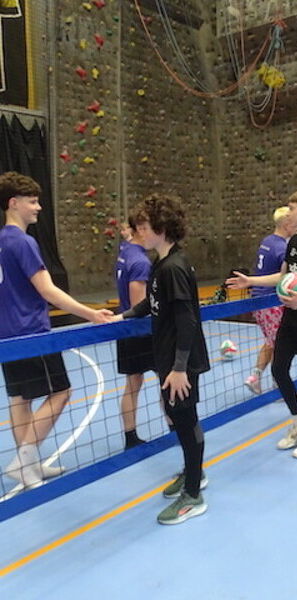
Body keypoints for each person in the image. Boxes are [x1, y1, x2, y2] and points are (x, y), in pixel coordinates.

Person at [0, 171, 113, 489]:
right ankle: (24, 461)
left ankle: (29, 465)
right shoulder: (23, 242)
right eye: (32, 202)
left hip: (6, 335)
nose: (38, 207)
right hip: (32, 333)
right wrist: (90, 313)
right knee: (61, 392)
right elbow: (48, 290)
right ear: (14, 203)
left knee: (21, 398)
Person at [112, 194, 211, 525]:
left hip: (182, 363)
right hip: (168, 359)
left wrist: (180, 367)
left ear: (162, 227)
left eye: (144, 226)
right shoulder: (160, 263)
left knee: (186, 420)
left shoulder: (174, 268)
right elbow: (150, 304)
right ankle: (193, 473)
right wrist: (122, 316)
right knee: (178, 418)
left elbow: (187, 319)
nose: (139, 231)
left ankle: (193, 495)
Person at [227, 188, 297, 458]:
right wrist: (251, 280)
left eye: (292, 208)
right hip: (291, 319)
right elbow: (282, 277)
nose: (289, 213)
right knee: (279, 370)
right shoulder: (293, 243)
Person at [245, 206, 296, 395]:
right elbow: (285, 276)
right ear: (286, 223)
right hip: (271, 301)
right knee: (280, 344)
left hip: (258, 299)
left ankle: (256, 377)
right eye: (293, 222)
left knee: (272, 341)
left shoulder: (267, 241)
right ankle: (279, 384)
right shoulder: (282, 247)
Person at [115, 215, 155, 449]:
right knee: (167, 379)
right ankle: (175, 429)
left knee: (133, 383)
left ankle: (130, 437)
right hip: (140, 331)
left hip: (125, 328)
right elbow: (138, 306)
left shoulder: (125, 250)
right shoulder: (140, 262)